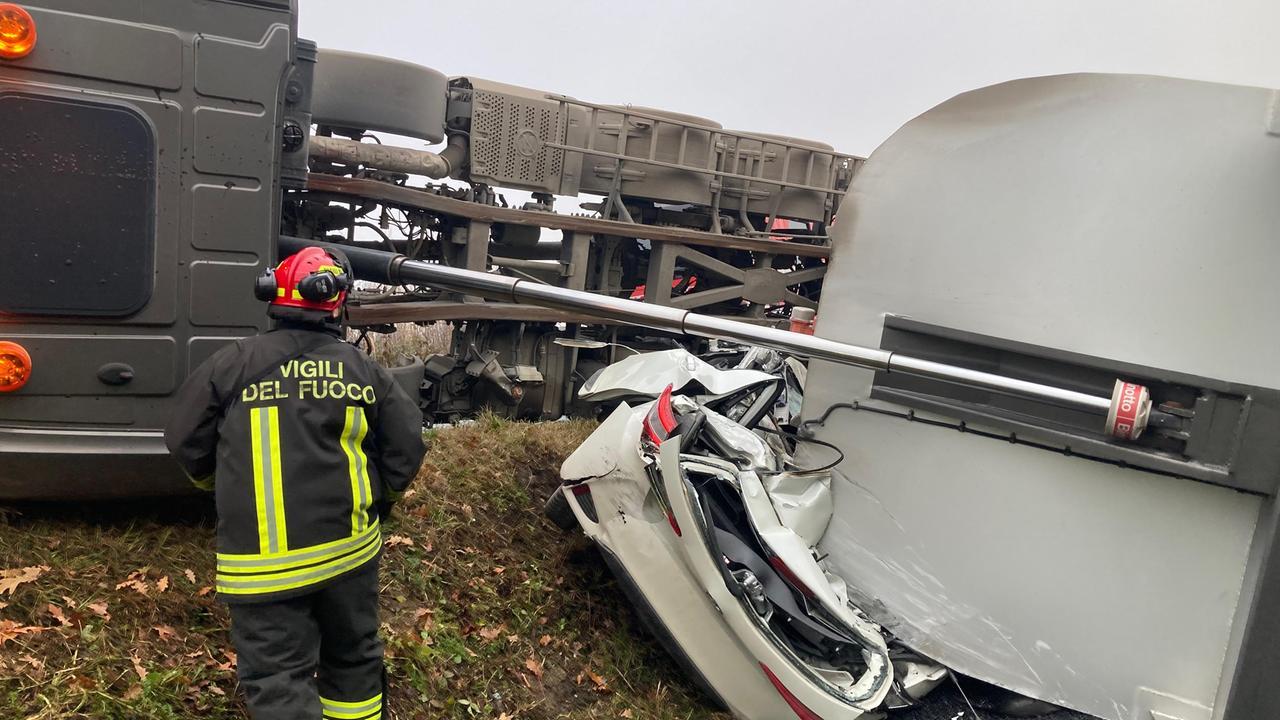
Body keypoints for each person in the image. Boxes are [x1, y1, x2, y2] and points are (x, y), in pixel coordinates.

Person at [165, 246, 427, 720]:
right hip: (348, 554)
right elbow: (406, 448)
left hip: (261, 567)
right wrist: (383, 502)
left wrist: (215, 485)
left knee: (277, 680)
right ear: (337, 301)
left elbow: (185, 440)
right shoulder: (364, 371)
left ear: (273, 295)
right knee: (353, 660)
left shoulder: (232, 365)